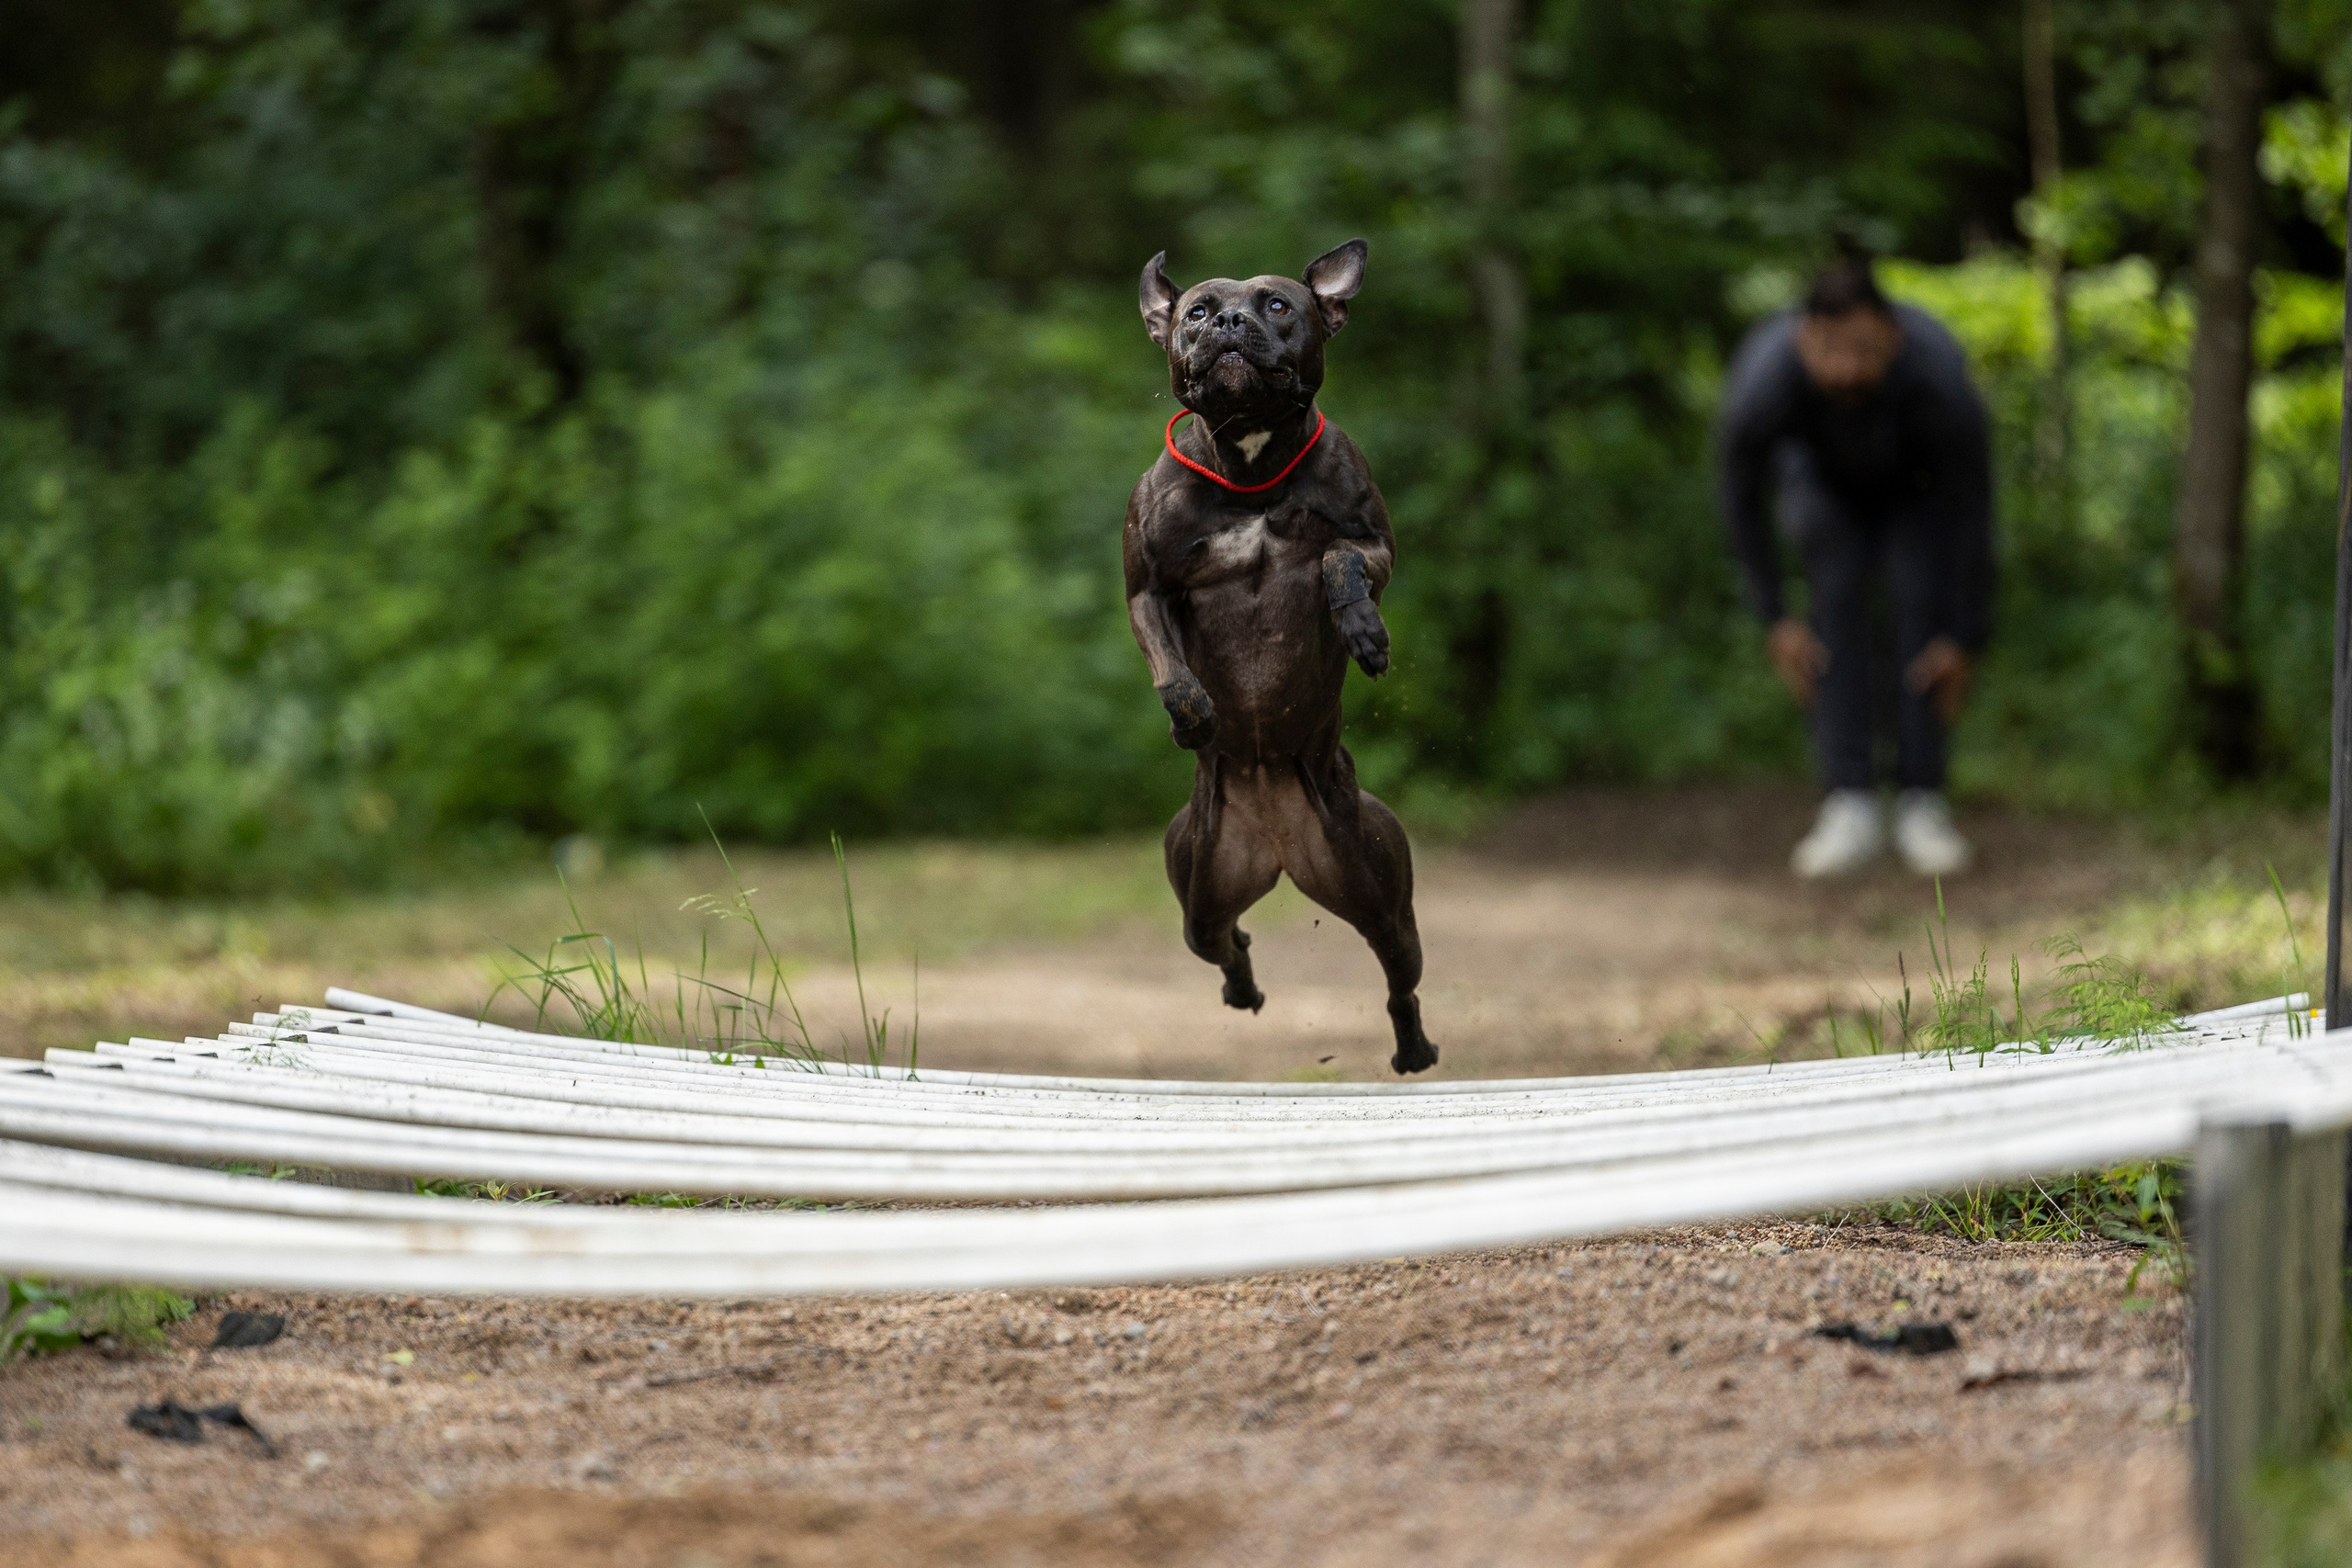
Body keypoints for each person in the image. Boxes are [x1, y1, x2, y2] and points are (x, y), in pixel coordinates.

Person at [1714, 254, 1995, 878]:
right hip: (1819, 486)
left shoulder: (1938, 376)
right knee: (1833, 592)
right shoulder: (1766, 380)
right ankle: (1850, 798)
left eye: (1864, 351)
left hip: (1913, 492)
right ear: (1802, 339)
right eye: (1830, 350)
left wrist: (1966, 633)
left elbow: (1974, 505)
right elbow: (1739, 496)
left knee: (1919, 600)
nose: (1846, 369)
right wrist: (1774, 617)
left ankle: (1923, 797)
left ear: (1892, 337)